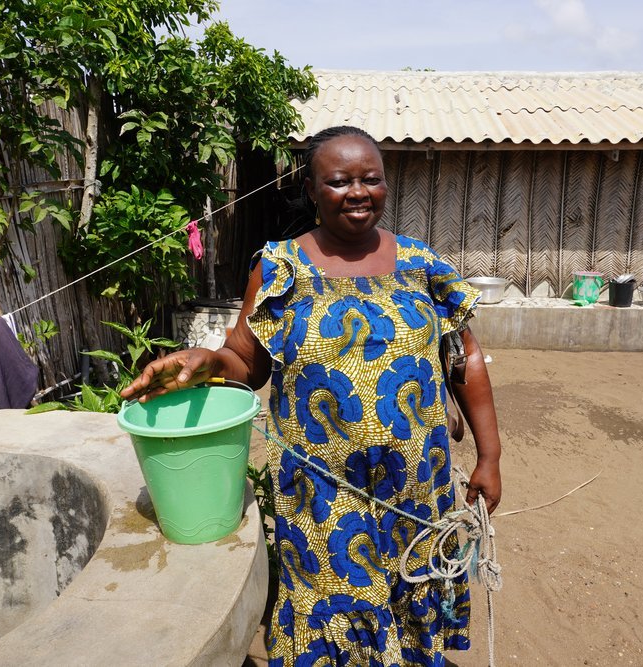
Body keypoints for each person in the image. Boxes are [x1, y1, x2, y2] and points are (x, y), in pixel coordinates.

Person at [121, 125, 502, 665]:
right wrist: (206, 363)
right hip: (321, 496)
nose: (358, 192)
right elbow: (247, 364)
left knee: (413, 603)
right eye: (339, 181)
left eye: (371, 179)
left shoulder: (423, 264)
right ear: (310, 190)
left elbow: (465, 359)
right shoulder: (279, 267)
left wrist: (490, 457)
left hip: (419, 488)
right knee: (333, 615)